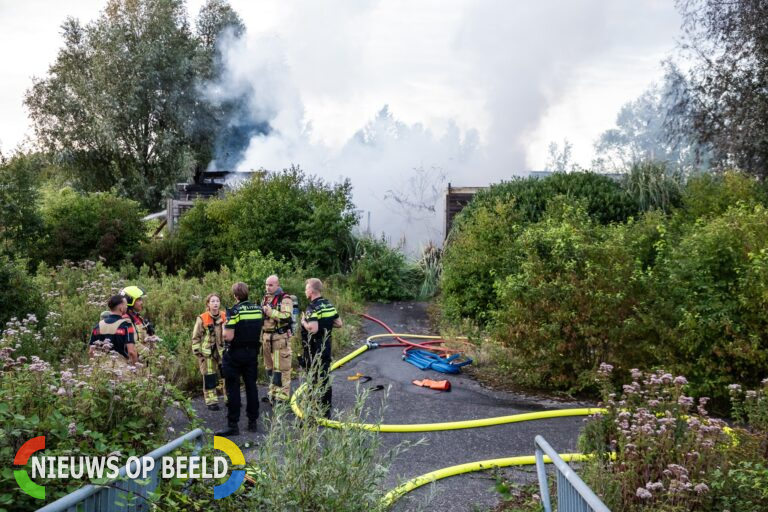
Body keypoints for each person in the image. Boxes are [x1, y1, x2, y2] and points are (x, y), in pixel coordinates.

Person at [216, 282, 264, 436]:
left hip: (235, 354)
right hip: (252, 353)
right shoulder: (258, 309)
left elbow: (228, 336)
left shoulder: (234, 311)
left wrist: (224, 326)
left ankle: (233, 424)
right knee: (251, 387)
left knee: (233, 388)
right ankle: (252, 422)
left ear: (235, 295)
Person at [300, 278, 342, 418]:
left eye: (306, 289)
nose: (305, 291)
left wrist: (304, 322)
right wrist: (327, 325)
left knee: (312, 376)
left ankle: (311, 409)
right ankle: (326, 410)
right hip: (327, 344)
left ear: (311, 291)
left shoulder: (312, 308)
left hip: (315, 346)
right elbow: (339, 323)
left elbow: (313, 329)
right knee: (324, 375)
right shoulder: (328, 304)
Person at [191, 293, 227, 411]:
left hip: (223, 352)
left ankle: (229, 398)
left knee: (227, 375)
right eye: (213, 301)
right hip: (208, 353)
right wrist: (198, 353)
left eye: (217, 301)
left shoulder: (224, 316)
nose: (215, 303)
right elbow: (196, 337)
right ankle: (211, 401)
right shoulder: (202, 318)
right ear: (208, 304)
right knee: (210, 377)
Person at [261, 275, 294, 403]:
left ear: (277, 285)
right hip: (266, 338)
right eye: (266, 285)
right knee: (270, 367)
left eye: (270, 285)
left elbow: (286, 317)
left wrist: (271, 313)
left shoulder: (285, 299)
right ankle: (272, 392)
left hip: (279, 338)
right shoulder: (265, 298)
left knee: (282, 367)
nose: (267, 287)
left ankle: (283, 395)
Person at [89, 294, 138, 364]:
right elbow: (131, 352)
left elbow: (91, 351)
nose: (127, 307)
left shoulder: (97, 326)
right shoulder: (127, 325)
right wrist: (135, 367)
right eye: (125, 305)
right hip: (121, 366)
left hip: (101, 367)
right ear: (121, 308)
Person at [120, 286, 161, 356]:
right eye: (138, 300)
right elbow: (133, 344)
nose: (141, 302)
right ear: (130, 301)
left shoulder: (137, 316)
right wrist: (152, 355)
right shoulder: (126, 319)